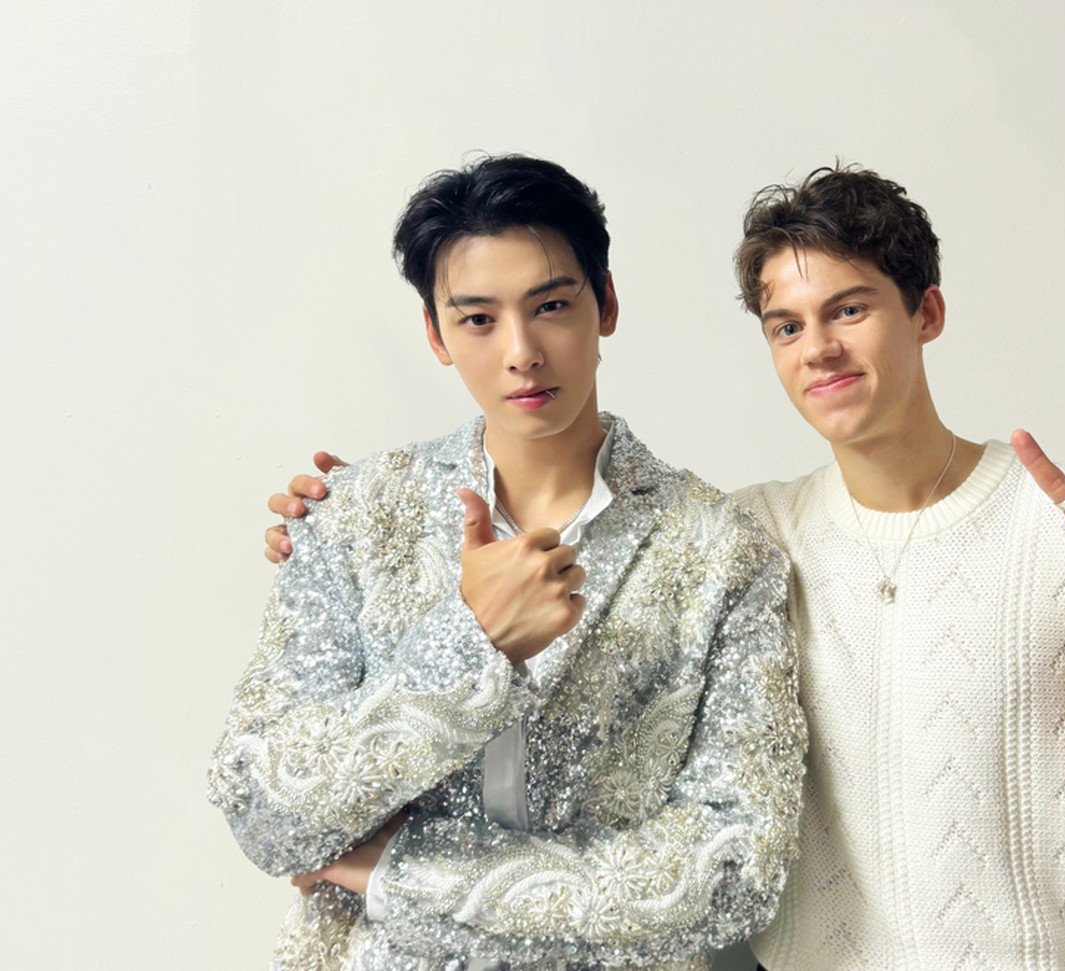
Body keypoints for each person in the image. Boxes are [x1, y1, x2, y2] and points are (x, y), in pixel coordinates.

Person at [264, 165, 1065, 970]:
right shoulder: (753, 535)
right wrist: (364, 519)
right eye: (786, 325)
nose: (818, 349)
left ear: (926, 312)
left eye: (850, 309)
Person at [211, 155, 805, 971]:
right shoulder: (353, 516)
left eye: (551, 306)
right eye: (479, 319)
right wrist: (471, 644)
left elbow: (733, 873)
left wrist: (399, 877)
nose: (522, 351)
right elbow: (261, 808)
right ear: (436, 333)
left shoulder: (720, 551)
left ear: (606, 303)